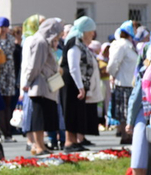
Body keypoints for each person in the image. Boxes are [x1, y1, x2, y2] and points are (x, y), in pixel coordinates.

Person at [21, 18, 64, 156]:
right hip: (39, 86)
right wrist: (27, 82)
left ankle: (41, 145)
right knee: (38, 118)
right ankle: (38, 146)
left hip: (44, 86)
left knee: (44, 117)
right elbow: (35, 65)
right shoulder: (40, 42)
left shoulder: (44, 41)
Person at [61, 16, 99, 152]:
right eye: (90, 32)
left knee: (77, 112)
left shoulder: (80, 43)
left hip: (77, 83)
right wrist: (80, 86)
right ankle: (69, 142)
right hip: (72, 83)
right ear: (84, 31)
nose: (92, 35)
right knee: (71, 111)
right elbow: (73, 67)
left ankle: (74, 141)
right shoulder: (74, 43)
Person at [107, 21, 138, 144]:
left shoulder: (129, 45)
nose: (135, 31)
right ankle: (125, 136)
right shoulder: (121, 45)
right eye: (134, 28)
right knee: (124, 113)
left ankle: (129, 136)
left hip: (130, 83)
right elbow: (113, 63)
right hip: (123, 82)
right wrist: (113, 75)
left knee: (128, 112)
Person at [0, 17, 17, 142]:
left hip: (9, 74)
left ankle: (7, 132)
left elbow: (9, 53)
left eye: (5, 27)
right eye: (1, 27)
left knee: (7, 104)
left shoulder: (11, 39)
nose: (3, 29)